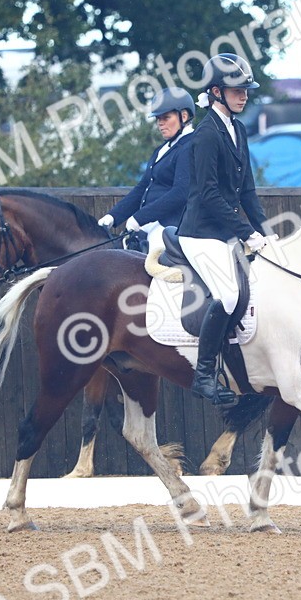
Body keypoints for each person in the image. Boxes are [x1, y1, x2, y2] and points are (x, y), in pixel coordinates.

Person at [177, 53, 274, 406]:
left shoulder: (238, 129)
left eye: (246, 89)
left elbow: (246, 190)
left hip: (224, 230)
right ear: (216, 92)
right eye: (237, 90)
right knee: (230, 296)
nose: (244, 95)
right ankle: (204, 374)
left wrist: (265, 231)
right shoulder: (205, 134)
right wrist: (246, 233)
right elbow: (208, 193)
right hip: (200, 232)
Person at [98, 88, 196, 252]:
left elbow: (181, 192)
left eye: (166, 117)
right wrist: (113, 216)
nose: (160, 123)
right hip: (151, 223)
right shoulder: (163, 149)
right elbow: (142, 187)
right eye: (158, 119)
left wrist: (139, 217)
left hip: (173, 225)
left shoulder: (191, 146)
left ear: (183, 116)